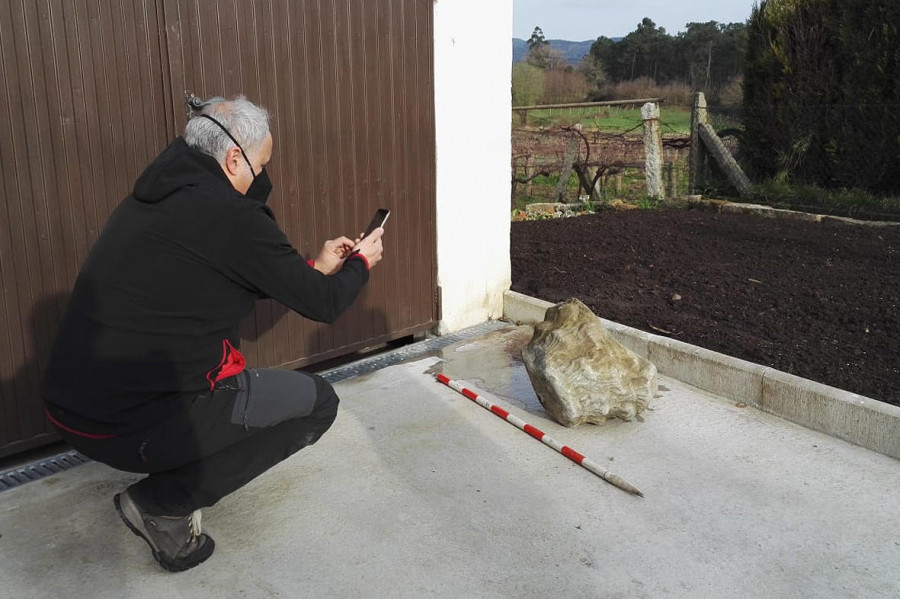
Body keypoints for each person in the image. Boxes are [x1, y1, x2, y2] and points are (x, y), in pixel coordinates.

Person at [41, 95, 384, 572]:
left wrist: (316, 267)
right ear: (232, 158)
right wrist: (360, 264)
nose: (263, 179)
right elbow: (324, 304)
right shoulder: (230, 216)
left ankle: (170, 467)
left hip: (72, 411)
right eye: (261, 165)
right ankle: (162, 504)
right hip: (130, 423)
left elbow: (226, 271)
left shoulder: (156, 196)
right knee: (317, 404)